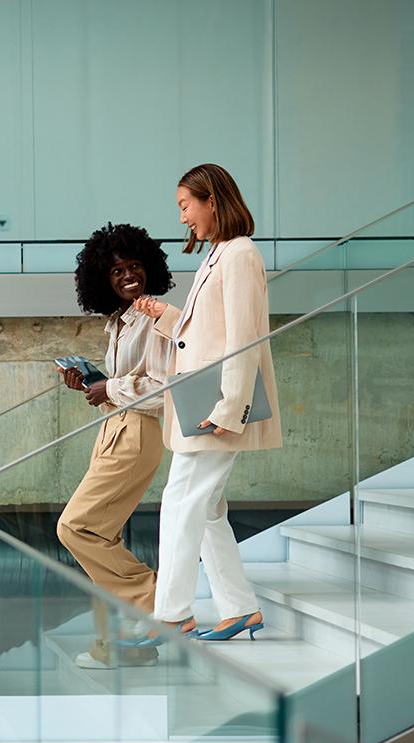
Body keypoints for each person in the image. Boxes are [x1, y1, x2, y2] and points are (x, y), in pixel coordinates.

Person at [131, 163, 282, 643]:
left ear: (211, 201)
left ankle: (172, 614)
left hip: (217, 405)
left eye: (185, 206)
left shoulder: (240, 255)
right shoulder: (220, 253)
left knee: (181, 501)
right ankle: (241, 609)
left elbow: (244, 338)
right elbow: (210, 330)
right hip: (206, 400)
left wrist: (229, 408)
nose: (182, 217)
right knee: (209, 509)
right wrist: (167, 315)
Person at [55, 223, 175, 668]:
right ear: (101, 279)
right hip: (114, 430)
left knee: (76, 528)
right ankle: (121, 648)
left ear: (150, 267)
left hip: (137, 433)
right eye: (117, 270)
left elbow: (166, 388)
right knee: (104, 536)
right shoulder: (120, 322)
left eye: (135, 266)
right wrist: (92, 386)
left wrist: (110, 388)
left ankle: (159, 602)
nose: (128, 276)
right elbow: (123, 386)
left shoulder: (156, 319)